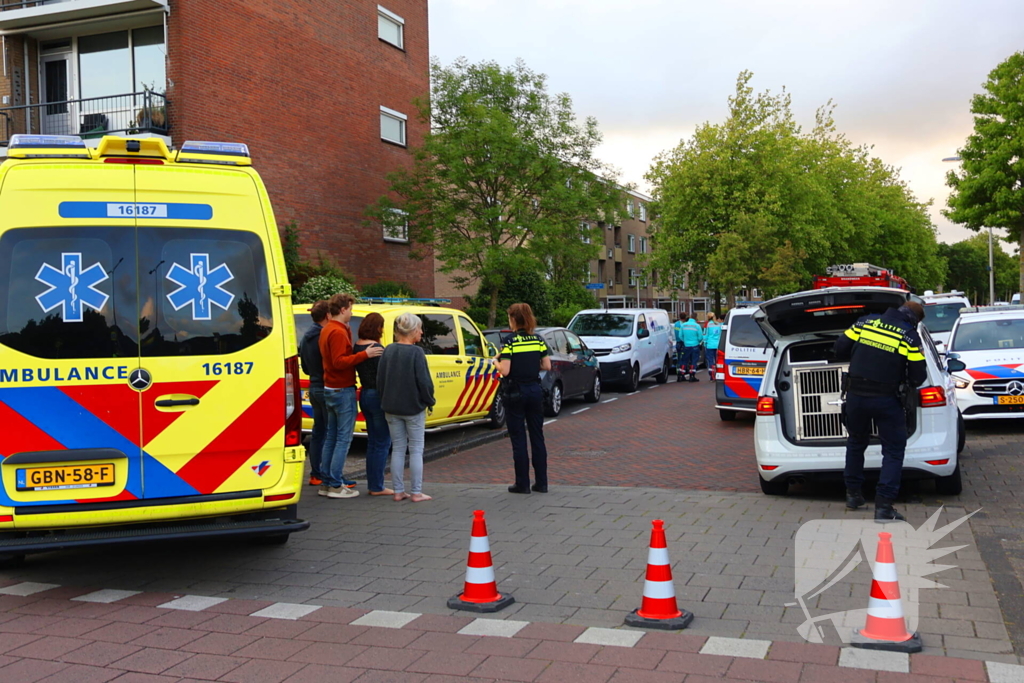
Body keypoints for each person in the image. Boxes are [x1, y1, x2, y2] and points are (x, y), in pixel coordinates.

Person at [834, 301, 927, 522]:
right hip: (887, 400)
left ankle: (853, 495)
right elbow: (918, 377)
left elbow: (839, 349)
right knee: (893, 451)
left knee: (856, 443)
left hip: (856, 396)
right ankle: (884, 506)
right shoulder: (909, 336)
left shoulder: (864, 323)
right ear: (913, 319)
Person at [319, 293, 383, 499]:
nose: (352, 312)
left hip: (330, 388)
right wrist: (364, 355)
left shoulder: (328, 329)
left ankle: (327, 481)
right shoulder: (337, 332)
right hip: (342, 389)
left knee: (331, 437)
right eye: (351, 308)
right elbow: (339, 362)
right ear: (344, 309)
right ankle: (336, 484)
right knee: (342, 439)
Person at [377, 312, 436, 502]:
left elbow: (380, 379)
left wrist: (384, 398)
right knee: (416, 448)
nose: (421, 332)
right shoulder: (417, 353)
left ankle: (398, 491)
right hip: (413, 407)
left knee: (398, 448)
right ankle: (416, 492)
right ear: (412, 331)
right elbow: (424, 382)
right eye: (419, 328)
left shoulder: (388, 350)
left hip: (391, 407)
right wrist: (429, 401)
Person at [497, 303, 551, 494]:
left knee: (519, 438)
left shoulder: (509, 341)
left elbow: (505, 370)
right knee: (537, 436)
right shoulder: (538, 340)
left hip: (515, 392)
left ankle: (522, 484)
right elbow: (547, 365)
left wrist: (495, 361)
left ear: (513, 319)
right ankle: (542, 483)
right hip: (535, 390)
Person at [353, 313, 393, 497]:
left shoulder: (358, 346)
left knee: (372, 442)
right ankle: (377, 486)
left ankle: (373, 483)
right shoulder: (377, 348)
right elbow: (384, 375)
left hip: (365, 394)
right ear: (378, 328)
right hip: (377, 395)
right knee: (382, 441)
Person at [298, 300, 329, 486]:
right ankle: (326, 474)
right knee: (330, 432)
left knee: (318, 431)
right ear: (327, 315)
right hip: (326, 386)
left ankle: (315, 473)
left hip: (314, 386)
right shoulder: (323, 336)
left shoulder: (305, 337)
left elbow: (306, 367)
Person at [678, 314, 704, 382]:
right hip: (695, 346)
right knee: (693, 361)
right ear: (695, 318)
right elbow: (700, 337)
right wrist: (697, 341)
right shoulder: (697, 326)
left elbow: (680, 336)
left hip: (686, 346)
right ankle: (692, 376)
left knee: (684, 360)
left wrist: (685, 341)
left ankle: (681, 375)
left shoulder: (683, 325)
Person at [704, 312, 723, 381]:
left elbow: (705, 335)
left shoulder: (707, 325)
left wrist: (705, 343)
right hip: (717, 345)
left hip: (710, 345)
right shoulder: (719, 324)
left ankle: (712, 375)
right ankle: (718, 374)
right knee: (717, 360)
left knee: (710, 361)